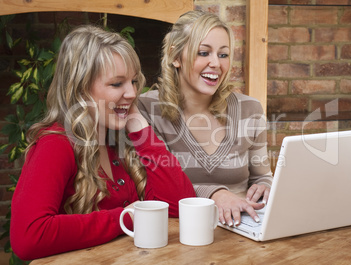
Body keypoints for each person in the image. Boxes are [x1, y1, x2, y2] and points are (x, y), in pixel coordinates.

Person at [10, 25, 195, 261]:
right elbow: (28, 238)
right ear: (80, 90)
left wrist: (138, 124)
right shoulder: (55, 144)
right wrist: (123, 218)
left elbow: (178, 206)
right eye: (117, 84)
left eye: (134, 82)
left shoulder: (116, 140)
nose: (132, 93)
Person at [138, 11, 273, 228]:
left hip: (242, 230)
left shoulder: (250, 109)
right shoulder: (147, 109)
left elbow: (262, 176)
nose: (216, 64)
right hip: (177, 233)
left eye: (223, 54)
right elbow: (151, 186)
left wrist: (265, 186)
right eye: (203, 52)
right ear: (175, 57)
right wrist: (215, 195)